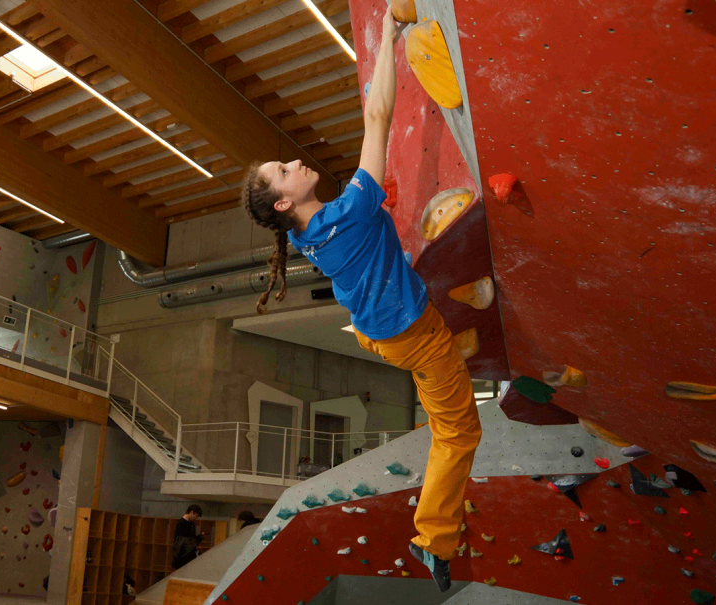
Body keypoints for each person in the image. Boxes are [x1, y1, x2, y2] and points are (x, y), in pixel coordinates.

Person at [239, 12, 481, 593]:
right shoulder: (344, 217)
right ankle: (436, 539)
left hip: (384, 332)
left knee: (437, 388)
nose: (296, 162)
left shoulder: (307, 233)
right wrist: (388, 41)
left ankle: (443, 515)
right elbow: (378, 117)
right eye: (284, 170)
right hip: (410, 333)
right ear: (281, 204)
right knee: (458, 434)